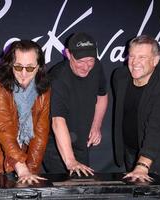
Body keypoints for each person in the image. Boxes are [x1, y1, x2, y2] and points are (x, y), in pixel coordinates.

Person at [0, 40, 50, 184]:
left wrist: (30, 170)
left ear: (39, 67)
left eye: (30, 68)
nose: (24, 74)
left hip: (21, 155)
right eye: (18, 67)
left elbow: (40, 133)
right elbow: (3, 129)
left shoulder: (43, 89)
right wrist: (21, 168)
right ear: (10, 65)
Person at [112, 35, 160, 182]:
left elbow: (156, 127)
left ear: (155, 60)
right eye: (132, 56)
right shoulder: (119, 76)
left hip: (154, 156)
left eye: (142, 57)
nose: (135, 62)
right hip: (130, 152)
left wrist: (142, 165)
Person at [43, 32, 108, 176]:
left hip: (81, 141)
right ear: (68, 53)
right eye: (80, 61)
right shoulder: (57, 78)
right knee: (65, 187)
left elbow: (102, 95)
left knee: (83, 185)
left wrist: (96, 125)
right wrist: (71, 161)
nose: (86, 67)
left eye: (90, 60)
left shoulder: (96, 67)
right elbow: (57, 121)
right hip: (55, 143)